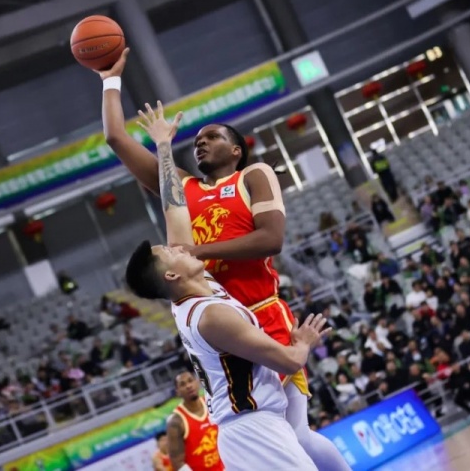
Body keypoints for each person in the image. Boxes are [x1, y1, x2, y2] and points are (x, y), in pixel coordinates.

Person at [99, 48, 350, 471]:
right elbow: (116, 139)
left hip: (259, 310)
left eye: (212, 136)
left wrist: (196, 252)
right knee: (271, 431)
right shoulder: (182, 189)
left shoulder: (253, 175)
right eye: (197, 140)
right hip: (213, 321)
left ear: (237, 149)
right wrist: (109, 80)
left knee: (297, 433)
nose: (201, 142)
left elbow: (271, 239)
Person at [166, 371, 224, 471]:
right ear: (177, 391)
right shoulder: (176, 421)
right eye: (183, 384)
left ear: (197, 382)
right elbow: (177, 462)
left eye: (190, 381)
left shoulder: (212, 403)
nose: (188, 386)